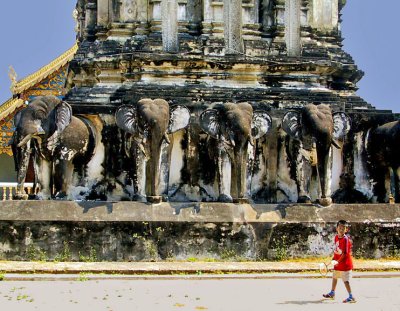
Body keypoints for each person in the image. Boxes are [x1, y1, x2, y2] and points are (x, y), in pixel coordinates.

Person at [323, 220, 356, 303]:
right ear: (336, 228)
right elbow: (337, 250)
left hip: (345, 264)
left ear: (346, 230)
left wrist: (337, 261)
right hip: (338, 262)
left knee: (346, 281)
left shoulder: (345, 239)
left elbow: (345, 253)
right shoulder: (336, 237)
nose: (341, 229)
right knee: (334, 277)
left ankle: (351, 296)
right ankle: (332, 293)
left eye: (343, 228)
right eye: (340, 228)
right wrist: (334, 259)